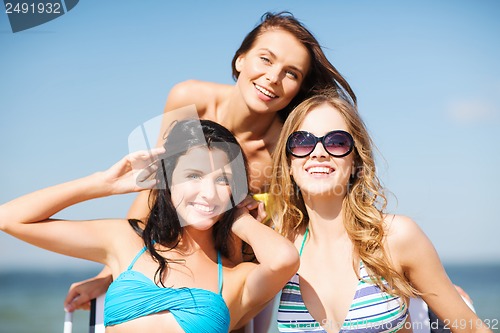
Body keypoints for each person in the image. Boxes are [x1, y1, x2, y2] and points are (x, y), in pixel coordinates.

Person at [64, 10, 356, 315]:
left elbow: (306, 212)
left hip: (237, 269)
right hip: (171, 256)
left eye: (291, 73)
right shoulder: (190, 99)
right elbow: (155, 187)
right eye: (266, 59)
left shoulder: (286, 144)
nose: (273, 77)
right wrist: (107, 274)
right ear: (240, 59)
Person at [0, 119, 300, 333]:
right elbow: (9, 218)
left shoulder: (236, 277)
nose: (208, 193)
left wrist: (239, 216)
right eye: (193, 175)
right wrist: (104, 184)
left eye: (222, 180)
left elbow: (285, 259)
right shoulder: (126, 241)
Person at [268, 90, 491, 333]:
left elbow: (472, 328)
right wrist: (239, 219)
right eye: (302, 142)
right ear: (289, 163)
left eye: (337, 142)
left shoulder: (394, 237)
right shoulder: (280, 249)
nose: (319, 152)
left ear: (355, 161)